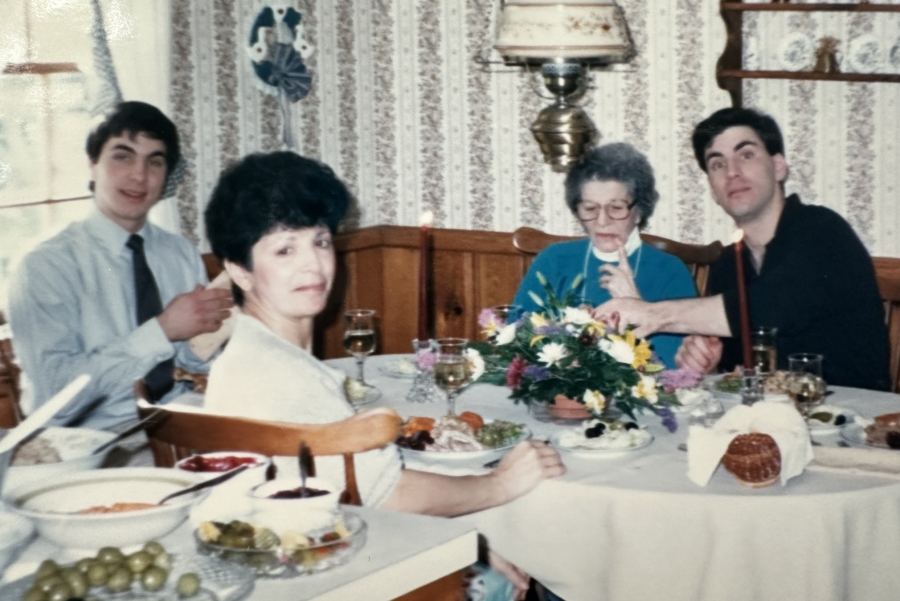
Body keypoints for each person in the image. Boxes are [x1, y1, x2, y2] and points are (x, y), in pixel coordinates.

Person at [203, 151, 566, 600]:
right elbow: (387, 496)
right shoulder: (277, 373)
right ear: (239, 269)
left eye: (319, 241)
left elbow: (350, 496)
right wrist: (499, 484)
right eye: (284, 249)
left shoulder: (253, 352)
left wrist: (469, 540)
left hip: (312, 554)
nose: (313, 265)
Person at [594, 107, 890, 390]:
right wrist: (707, 360)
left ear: (778, 166)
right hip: (771, 424)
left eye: (745, 154)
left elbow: (771, 306)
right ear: (713, 188)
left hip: (852, 420)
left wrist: (653, 314)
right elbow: (735, 370)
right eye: (717, 163)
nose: (732, 172)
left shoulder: (822, 231)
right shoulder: (728, 262)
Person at [8, 101, 233, 429]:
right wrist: (162, 330)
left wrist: (222, 331)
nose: (139, 176)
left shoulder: (179, 253)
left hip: (178, 426)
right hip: (91, 447)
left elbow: (187, 361)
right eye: (122, 156)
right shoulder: (45, 266)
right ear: (92, 163)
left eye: (154, 161)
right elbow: (54, 399)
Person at [513, 143, 697, 368]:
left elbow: (677, 366)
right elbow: (515, 338)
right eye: (590, 208)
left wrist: (637, 305)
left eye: (616, 208)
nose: (602, 221)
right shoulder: (553, 259)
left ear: (638, 212)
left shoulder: (670, 270)